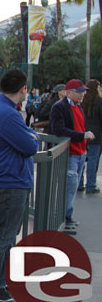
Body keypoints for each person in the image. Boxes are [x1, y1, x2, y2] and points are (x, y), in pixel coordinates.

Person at [0, 69, 40, 302]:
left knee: (6, 233)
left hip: (10, 180)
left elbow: (28, 136)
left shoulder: (4, 110)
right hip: (10, 182)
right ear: (23, 89)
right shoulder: (8, 114)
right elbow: (30, 145)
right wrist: (32, 137)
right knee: (5, 234)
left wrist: (30, 135)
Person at [50, 79, 95, 231]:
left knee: (72, 187)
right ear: (69, 93)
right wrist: (82, 136)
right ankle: (63, 217)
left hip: (80, 153)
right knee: (69, 187)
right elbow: (59, 130)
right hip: (70, 154)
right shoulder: (59, 107)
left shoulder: (78, 106)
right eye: (79, 91)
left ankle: (67, 216)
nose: (83, 94)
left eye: (83, 91)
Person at [81, 79, 102, 194]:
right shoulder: (99, 101)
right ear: (96, 88)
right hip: (97, 135)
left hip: (83, 133)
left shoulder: (83, 101)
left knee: (82, 159)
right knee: (93, 160)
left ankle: (79, 183)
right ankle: (91, 185)